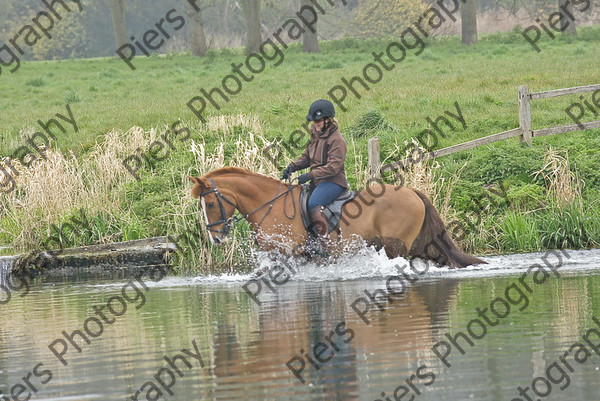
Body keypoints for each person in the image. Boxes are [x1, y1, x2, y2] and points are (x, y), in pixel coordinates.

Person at [281, 99, 349, 242]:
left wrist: (309, 175)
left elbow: (333, 168)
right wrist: (293, 166)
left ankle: (324, 243)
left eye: (318, 121)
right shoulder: (316, 134)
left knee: (314, 204)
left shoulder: (337, 140)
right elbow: (307, 157)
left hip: (334, 181)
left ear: (328, 120)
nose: (315, 124)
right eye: (314, 122)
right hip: (318, 180)